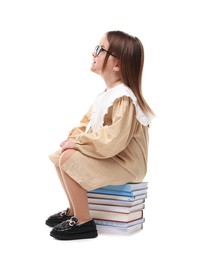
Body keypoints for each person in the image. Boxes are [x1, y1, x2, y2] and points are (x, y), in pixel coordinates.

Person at [46, 30, 154, 240]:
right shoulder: (105, 96)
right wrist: (73, 139)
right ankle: (74, 210)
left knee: (69, 157)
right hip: (114, 156)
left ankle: (84, 221)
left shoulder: (124, 98)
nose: (93, 53)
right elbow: (86, 126)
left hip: (127, 164)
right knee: (61, 156)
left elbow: (113, 140)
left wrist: (78, 143)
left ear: (117, 64)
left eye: (99, 49)